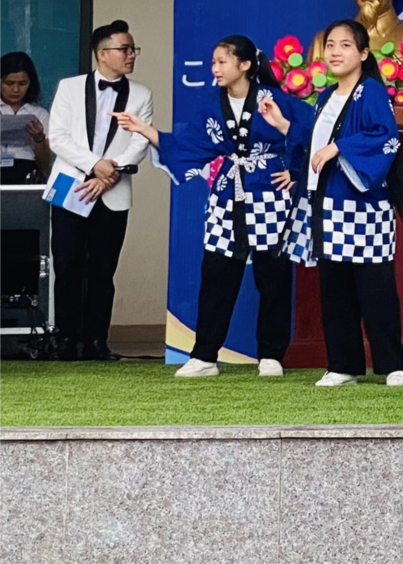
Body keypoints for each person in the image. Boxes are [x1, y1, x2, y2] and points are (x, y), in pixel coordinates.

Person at [114, 36, 309, 377]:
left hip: (269, 194)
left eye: (222, 62)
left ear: (244, 65)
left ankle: (271, 355)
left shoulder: (274, 100)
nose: (214, 68)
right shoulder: (211, 105)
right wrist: (145, 130)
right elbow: (189, 145)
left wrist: (295, 171)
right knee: (217, 274)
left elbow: (311, 133)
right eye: (213, 62)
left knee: (273, 276)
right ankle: (204, 356)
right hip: (227, 195)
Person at [282, 19, 403, 387]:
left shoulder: (370, 91)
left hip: (362, 206)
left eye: (345, 45)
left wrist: (339, 147)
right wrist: (284, 129)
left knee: (376, 286)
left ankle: (392, 364)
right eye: (330, 45)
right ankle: (343, 364)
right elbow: (313, 144)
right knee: (334, 286)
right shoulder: (325, 97)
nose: (335, 52)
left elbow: (384, 135)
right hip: (326, 204)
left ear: (363, 53)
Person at [44, 20, 153, 361]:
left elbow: (139, 143)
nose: (131, 55)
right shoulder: (69, 87)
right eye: (125, 49)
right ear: (102, 54)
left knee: (103, 270)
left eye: (133, 49)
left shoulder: (142, 94)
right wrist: (94, 165)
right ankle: (65, 338)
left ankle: (95, 340)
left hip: (113, 191)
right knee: (67, 265)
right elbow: (57, 137)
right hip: (71, 186)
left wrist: (108, 175)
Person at [0, 51, 52, 186]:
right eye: (9, 83)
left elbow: (44, 165)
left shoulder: (39, 114)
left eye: (22, 83)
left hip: (26, 172)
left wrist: (39, 138)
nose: (16, 90)